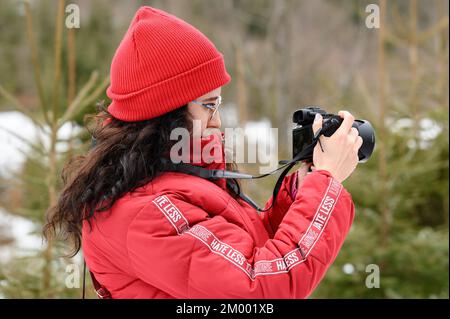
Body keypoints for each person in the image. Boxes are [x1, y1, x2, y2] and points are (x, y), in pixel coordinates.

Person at [44, 6, 362, 298]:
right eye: (208, 105)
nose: (218, 121)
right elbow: (261, 286)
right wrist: (327, 181)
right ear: (165, 111)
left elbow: (246, 247)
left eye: (219, 103)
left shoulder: (172, 177)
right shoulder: (145, 214)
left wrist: (304, 191)